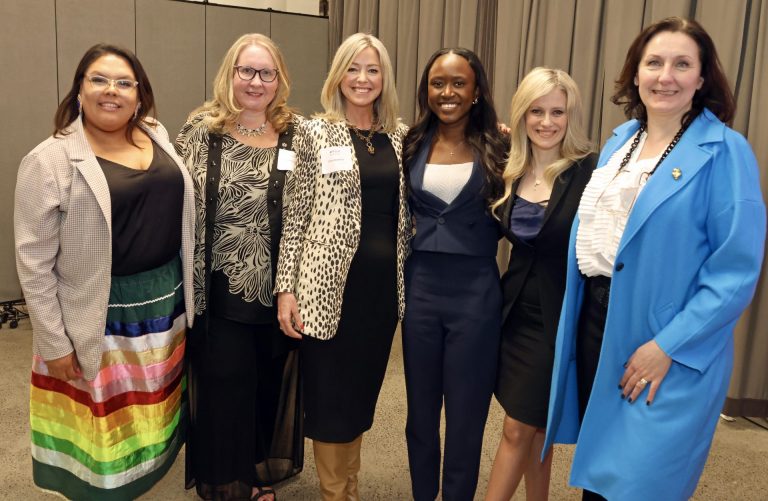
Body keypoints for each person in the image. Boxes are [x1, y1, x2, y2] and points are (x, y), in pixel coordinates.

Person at [543, 17, 766, 501]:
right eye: (654, 63)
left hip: (668, 345)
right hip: (599, 325)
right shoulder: (620, 142)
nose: (666, 76)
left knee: (642, 483)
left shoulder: (726, 152)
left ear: (702, 78)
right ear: (636, 73)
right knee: (603, 476)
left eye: (682, 64)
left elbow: (734, 273)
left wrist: (667, 345)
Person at [15, 43, 195, 500]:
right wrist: (55, 343)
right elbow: (33, 263)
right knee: (103, 427)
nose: (110, 91)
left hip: (163, 304)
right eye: (98, 79)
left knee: (151, 411)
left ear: (140, 95)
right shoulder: (49, 160)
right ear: (79, 91)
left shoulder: (155, 133)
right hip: (98, 315)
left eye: (123, 82)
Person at [274, 33, 409, 501]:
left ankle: (347, 488)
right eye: (353, 69)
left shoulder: (401, 137)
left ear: (384, 78)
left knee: (361, 395)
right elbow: (294, 217)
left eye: (372, 70)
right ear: (338, 75)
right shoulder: (313, 133)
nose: (362, 79)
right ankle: (337, 494)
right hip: (325, 287)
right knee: (331, 398)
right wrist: (285, 289)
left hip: (381, 292)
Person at [175, 33, 303, 501]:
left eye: (266, 73)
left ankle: (253, 468)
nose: (256, 82)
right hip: (216, 290)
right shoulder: (199, 130)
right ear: (230, 74)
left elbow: (312, 204)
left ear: (279, 80)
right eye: (246, 71)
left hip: (278, 291)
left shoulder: (298, 134)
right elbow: (168, 184)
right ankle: (230, 482)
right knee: (225, 385)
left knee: (265, 385)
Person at [484, 67, 597, 501]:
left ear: (571, 116)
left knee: (517, 427)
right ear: (522, 114)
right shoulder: (508, 168)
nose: (547, 122)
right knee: (535, 424)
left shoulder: (589, 170)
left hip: (559, 315)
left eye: (557, 112)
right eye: (536, 111)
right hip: (512, 313)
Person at [401, 47, 506, 501]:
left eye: (458, 83)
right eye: (437, 83)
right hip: (421, 288)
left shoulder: (501, 147)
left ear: (477, 90)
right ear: (426, 91)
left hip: (476, 295)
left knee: (466, 416)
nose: (447, 92)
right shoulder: (409, 144)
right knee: (420, 415)